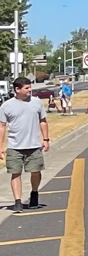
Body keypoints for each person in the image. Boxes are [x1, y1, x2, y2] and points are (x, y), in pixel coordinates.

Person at [1, 78, 50, 212]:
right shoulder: (6, 106)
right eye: (27, 88)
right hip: (14, 146)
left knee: (36, 171)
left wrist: (46, 139)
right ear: (17, 89)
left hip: (33, 145)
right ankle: (17, 201)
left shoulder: (36, 102)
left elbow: (43, 121)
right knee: (15, 173)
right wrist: (1, 147)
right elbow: (2, 126)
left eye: (30, 88)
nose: (30, 90)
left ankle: (34, 193)